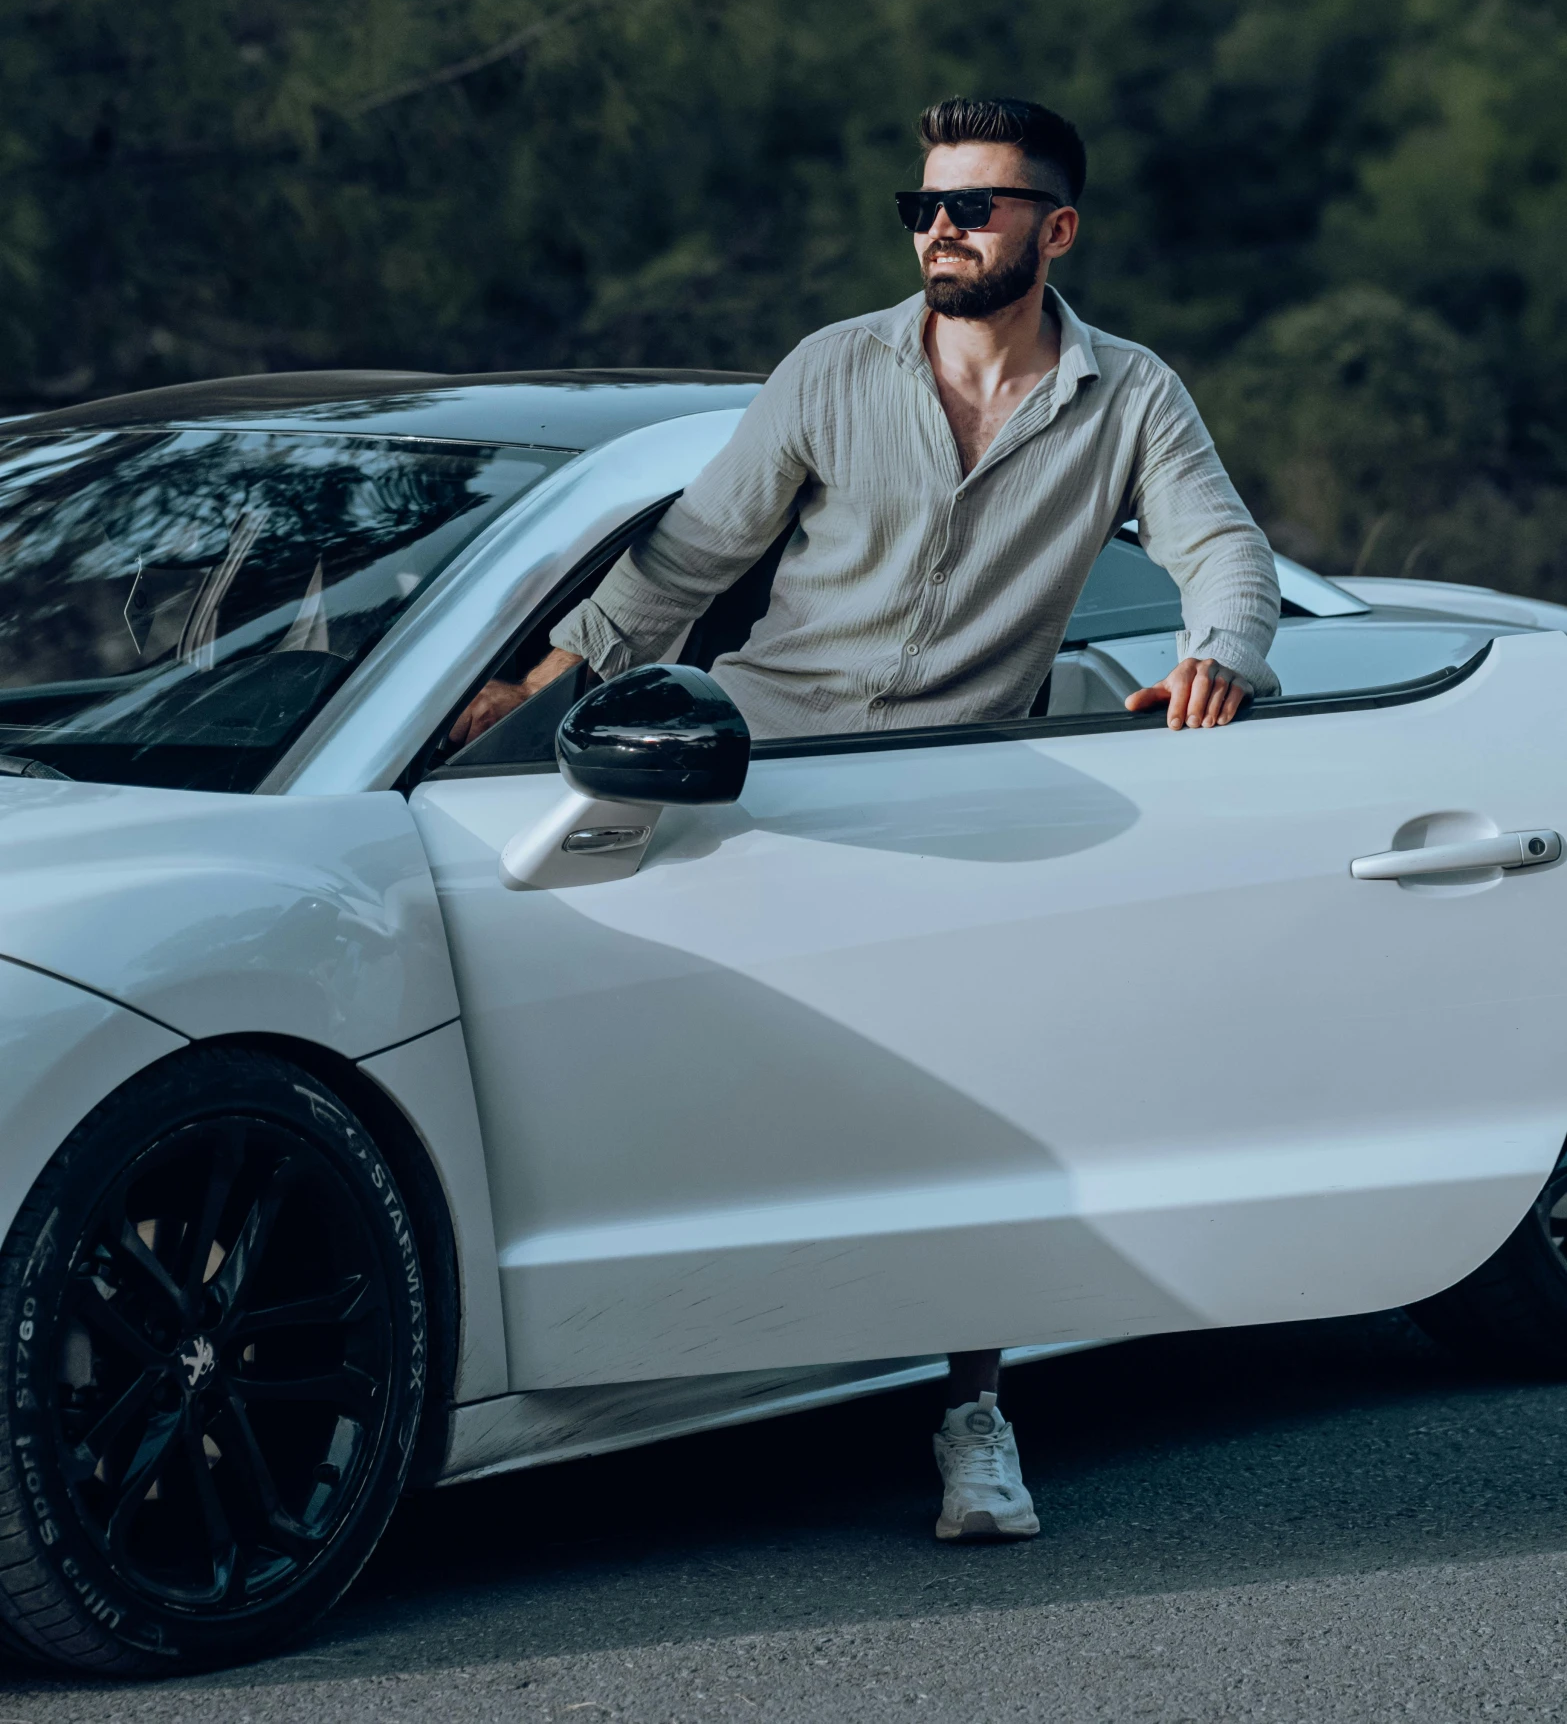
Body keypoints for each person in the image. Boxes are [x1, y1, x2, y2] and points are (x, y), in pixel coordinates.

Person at [452, 93, 1280, 1543]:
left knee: (977, 1100)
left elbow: (1222, 545)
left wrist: (1219, 649)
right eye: (923, 206)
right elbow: (686, 555)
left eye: (973, 204)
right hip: (757, 767)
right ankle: (657, 1357)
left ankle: (972, 1415)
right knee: (684, 1051)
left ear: (1054, 228)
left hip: (958, 793)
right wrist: (534, 683)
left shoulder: (1130, 393)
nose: (940, 227)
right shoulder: (829, 370)